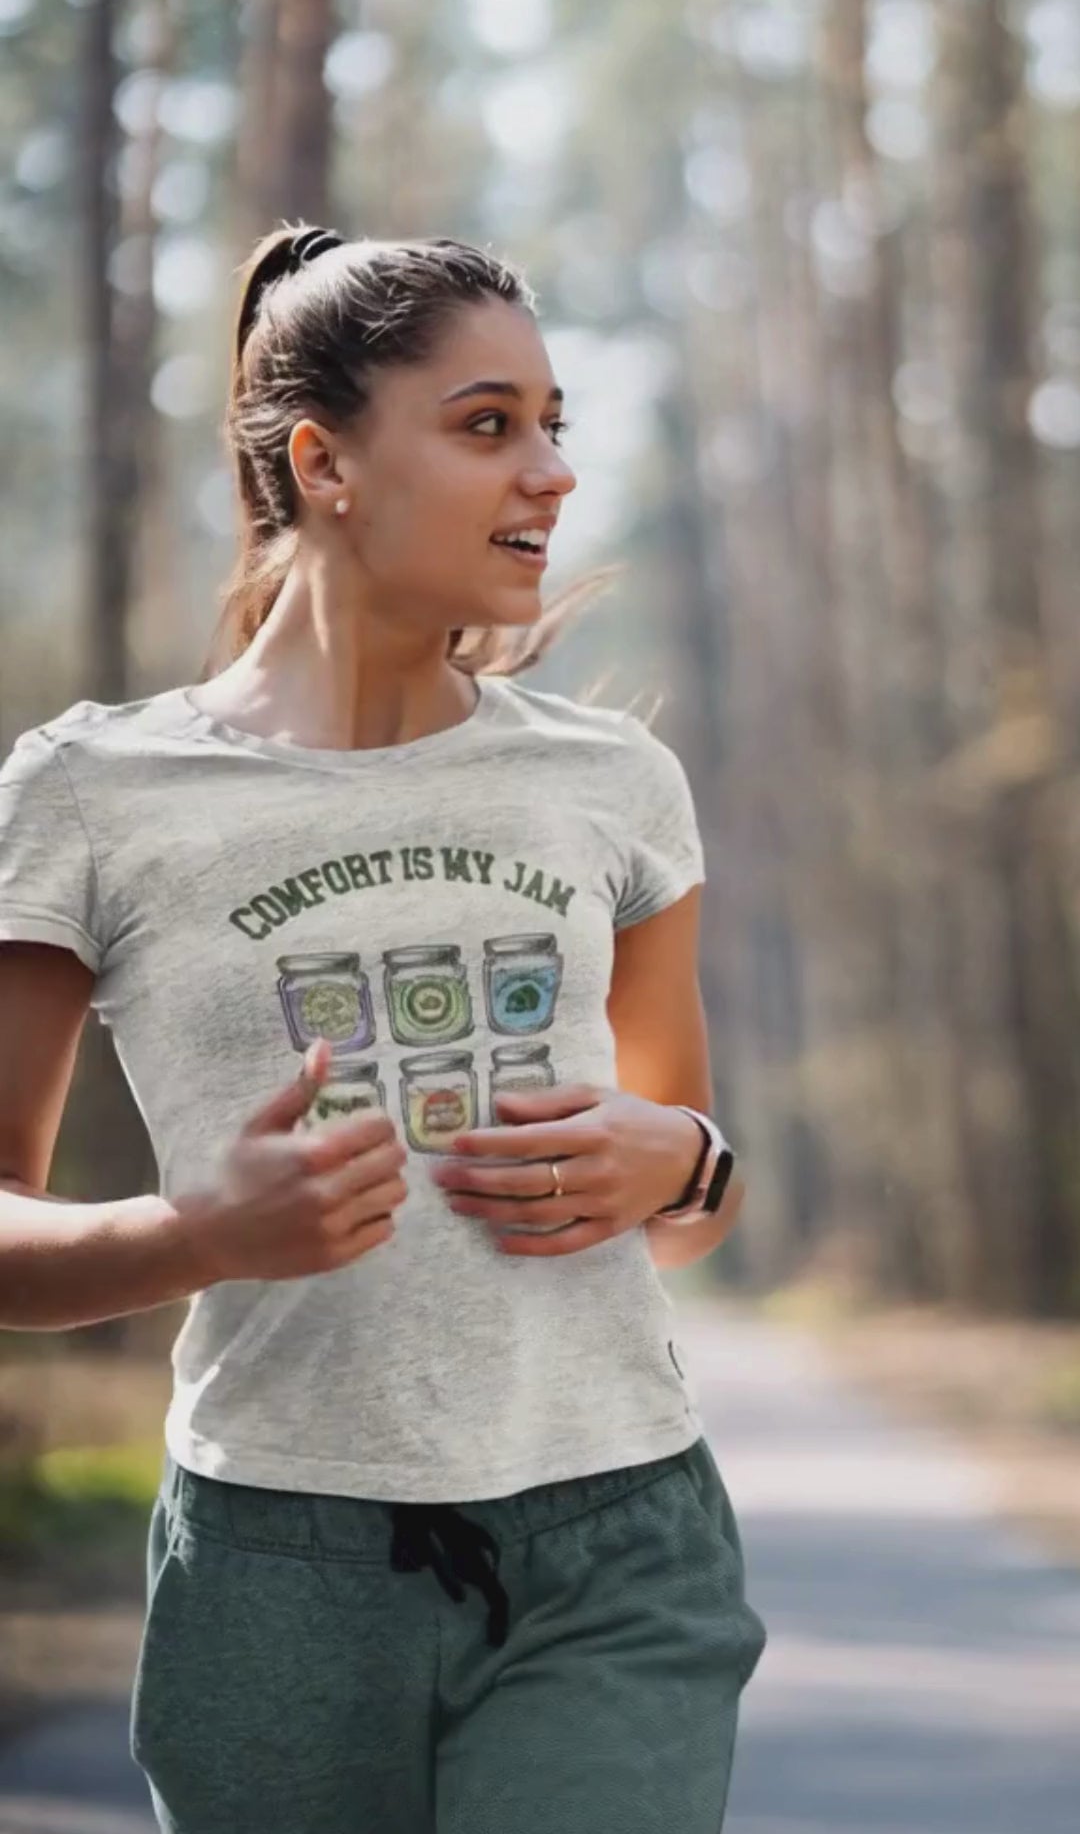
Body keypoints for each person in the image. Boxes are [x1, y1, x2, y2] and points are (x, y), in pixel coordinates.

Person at [0, 224, 767, 1833]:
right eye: (490, 425)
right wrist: (199, 1232)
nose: (550, 472)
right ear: (323, 459)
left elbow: (684, 1210)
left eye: (557, 424)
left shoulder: (614, 785)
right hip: (278, 1566)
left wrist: (682, 1160)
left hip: (615, 1537)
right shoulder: (88, 794)